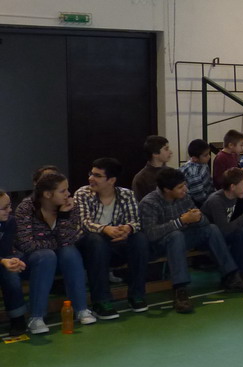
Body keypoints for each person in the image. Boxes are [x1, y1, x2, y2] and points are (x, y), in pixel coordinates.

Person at [139, 168, 243, 314]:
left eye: (184, 185)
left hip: (183, 237)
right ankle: (180, 290)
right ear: (166, 190)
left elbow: (203, 221)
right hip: (158, 245)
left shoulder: (184, 197)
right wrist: (181, 221)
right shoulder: (149, 203)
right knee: (176, 236)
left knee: (212, 229)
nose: (185, 189)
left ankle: (232, 277)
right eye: (180, 187)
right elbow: (151, 234)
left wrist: (198, 217)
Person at [15, 172, 96, 333]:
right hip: (30, 262)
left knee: (69, 252)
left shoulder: (70, 207)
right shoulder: (26, 208)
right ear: (47, 194)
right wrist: (55, 244)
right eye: (63, 191)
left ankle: (81, 309)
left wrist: (64, 217)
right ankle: (36, 317)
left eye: (67, 189)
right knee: (46, 255)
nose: (68, 194)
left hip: (60, 260)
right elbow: (26, 244)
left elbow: (69, 240)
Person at [74, 157, 150, 319]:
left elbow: (136, 221)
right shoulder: (82, 194)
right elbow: (83, 223)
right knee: (96, 240)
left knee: (139, 239)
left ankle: (137, 295)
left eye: (97, 175)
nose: (91, 178)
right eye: (91, 174)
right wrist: (105, 229)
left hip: (117, 243)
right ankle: (101, 301)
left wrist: (128, 228)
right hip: (89, 245)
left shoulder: (126, 195)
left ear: (112, 180)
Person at [201, 167, 243, 284]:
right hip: (211, 239)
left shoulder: (236, 196)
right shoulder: (216, 201)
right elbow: (223, 230)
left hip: (224, 231)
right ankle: (237, 276)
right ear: (232, 187)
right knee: (242, 233)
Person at [0, 189, 28, 336]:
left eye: (9, 206)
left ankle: (18, 320)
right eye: (4, 208)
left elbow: (6, 249)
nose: (10, 210)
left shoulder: (10, 222)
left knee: (10, 272)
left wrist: (14, 259)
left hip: (3, 261)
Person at [132, 135, 173, 201]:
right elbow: (140, 203)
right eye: (166, 149)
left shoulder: (172, 172)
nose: (170, 152)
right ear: (155, 153)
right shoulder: (141, 178)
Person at [180, 139, 215, 207]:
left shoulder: (202, 162)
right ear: (194, 158)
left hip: (207, 194)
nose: (209, 156)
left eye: (208, 153)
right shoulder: (193, 173)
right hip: (197, 202)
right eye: (205, 155)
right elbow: (199, 197)